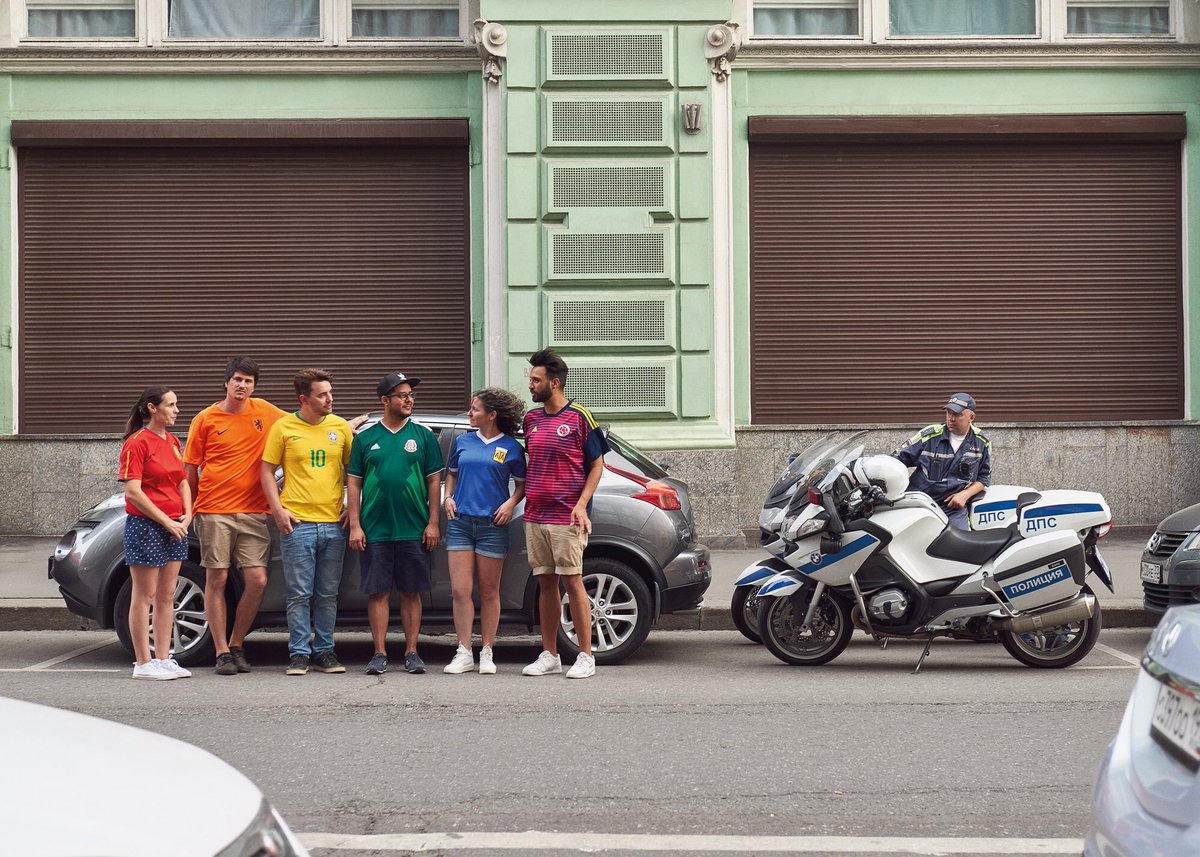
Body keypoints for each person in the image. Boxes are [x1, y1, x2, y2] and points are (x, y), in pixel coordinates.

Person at [185, 357, 287, 676]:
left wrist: (344, 424)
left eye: (249, 381)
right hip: (214, 510)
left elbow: (302, 423)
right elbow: (191, 468)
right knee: (218, 578)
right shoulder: (205, 418)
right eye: (238, 380)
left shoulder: (265, 412)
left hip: (255, 511)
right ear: (226, 383)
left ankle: (237, 642)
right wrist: (191, 508)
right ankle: (221, 652)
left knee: (257, 580)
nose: (243, 385)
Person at [520, 349, 610, 680]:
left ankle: (586, 655)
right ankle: (550, 654)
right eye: (530, 379)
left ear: (554, 383)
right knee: (546, 583)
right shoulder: (530, 419)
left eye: (535, 380)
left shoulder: (580, 417)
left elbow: (597, 465)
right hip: (535, 514)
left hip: (567, 517)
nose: (530, 385)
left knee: (573, 582)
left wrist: (581, 503)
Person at [347, 372, 443, 676]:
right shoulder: (366, 438)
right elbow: (353, 484)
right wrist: (355, 525)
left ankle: (412, 652)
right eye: (402, 395)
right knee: (377, 592)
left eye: (410, 395)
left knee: (411, 591)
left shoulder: (423, 436)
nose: (409, 399)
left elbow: (434, 483)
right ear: (384, 400)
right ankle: (379, 653)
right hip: (374, 528)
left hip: (413, 528)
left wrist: (433, 523)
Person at [261, 369, 353, 676]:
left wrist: (354, 507)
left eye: (330, 392)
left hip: (333, 524)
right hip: (297, 524)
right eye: (322, 394)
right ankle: (299, 653)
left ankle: (324, 651)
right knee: (299, 593)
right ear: (304, 398)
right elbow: (265, 472)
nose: (330, 398)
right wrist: (278, 510)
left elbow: (356, 474)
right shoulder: (284, 427)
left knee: (327, 593)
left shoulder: (340, 427)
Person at [442, 387, 527, 675]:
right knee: (460, 590)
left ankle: (487, 650)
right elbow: (451, 474)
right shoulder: (463, 441)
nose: (470, 413)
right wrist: (448, 497)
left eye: (475, 409)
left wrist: (510, 504)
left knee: (490, 592)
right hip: (461, 524)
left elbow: (522, 485)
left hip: (493, 526)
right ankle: (464, 651)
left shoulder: (513, 448)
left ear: (491, 415)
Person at [119, 386, 193, 681]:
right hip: (147, 526)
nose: (176, 410)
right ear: (152, 408)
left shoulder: (173, 441)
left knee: (167, 595)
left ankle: (163, 658)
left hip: (175, 526)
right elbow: (133, 491)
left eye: (176, 405)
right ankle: (143, 662)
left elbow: (183, 482)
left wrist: (186, 515)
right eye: (171, 405)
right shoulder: (136, 443)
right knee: (144, 594)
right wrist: (166, 521)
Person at [893, 392, 991, 530]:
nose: (951, 418)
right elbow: (895, 460)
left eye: (957, 414)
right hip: (918, 503)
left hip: (952, 508)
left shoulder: (982, 442)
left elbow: (984, 478)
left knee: (960, 546)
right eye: (948, 413)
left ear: (971, 417)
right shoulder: (929, 435)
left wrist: (965, 494)